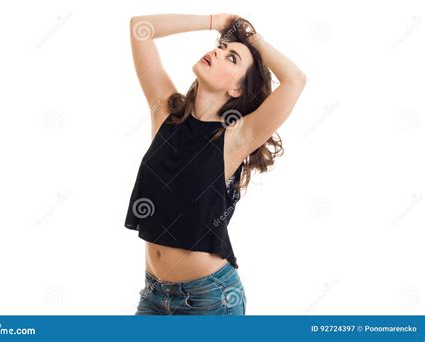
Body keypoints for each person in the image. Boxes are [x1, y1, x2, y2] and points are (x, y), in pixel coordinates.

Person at [125, 13, 306, 315]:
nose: (218, 52)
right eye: (221, 47)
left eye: (231, 58)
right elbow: (140, 29)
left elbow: (295, 80)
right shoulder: (165, 111)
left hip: (209, 298)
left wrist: (251, 39)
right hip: (154, 294)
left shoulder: (236, 136)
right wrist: (215, 21)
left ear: (237, 90)